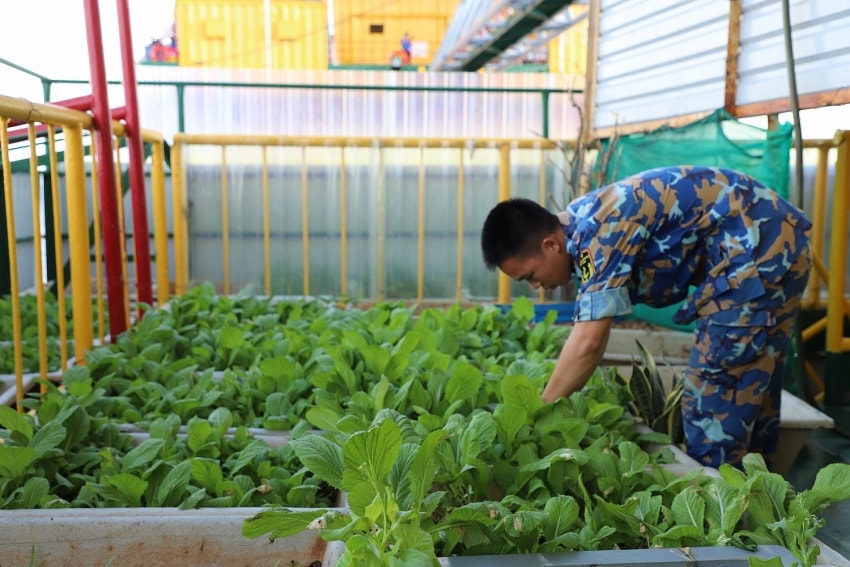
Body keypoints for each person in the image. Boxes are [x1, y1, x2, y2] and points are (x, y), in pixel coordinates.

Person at [480, 165, 812, 470]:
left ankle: (720, 513)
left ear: (550, 244)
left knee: (711, 394)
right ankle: (760, 491)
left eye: (531, 276)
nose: (538, 287)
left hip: (760, 250)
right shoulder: (582, 227)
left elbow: (589, 341)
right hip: (774, 241)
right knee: (752, 381)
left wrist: (541, 408)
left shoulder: (598, 233)